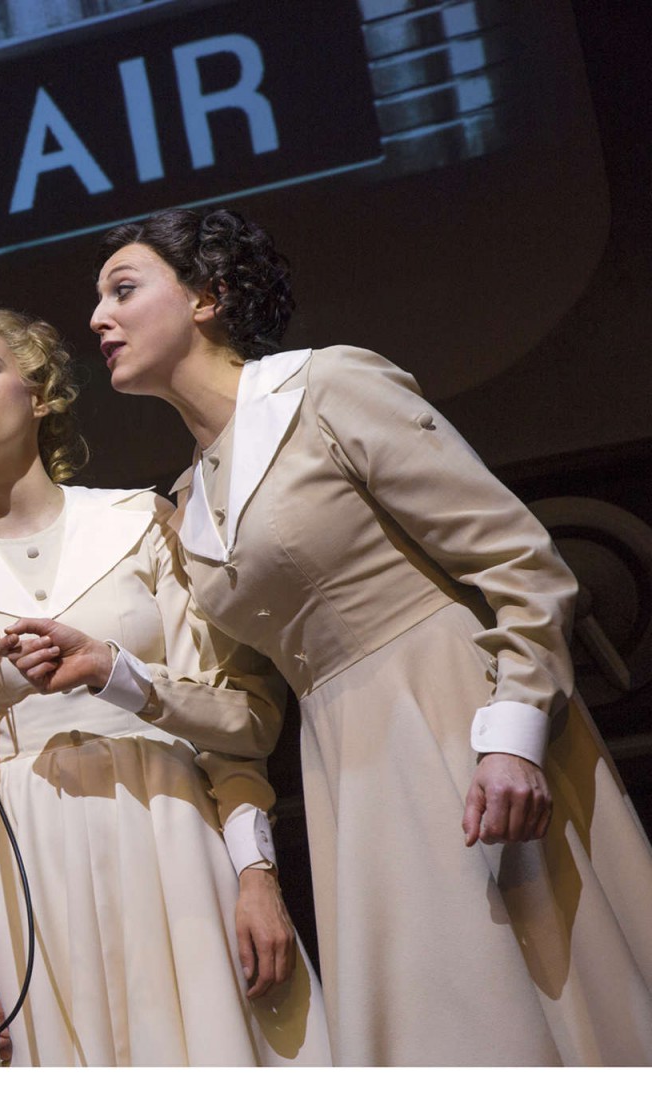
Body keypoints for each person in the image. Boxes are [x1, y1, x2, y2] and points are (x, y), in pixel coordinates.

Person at [55, 206, 652, 1063]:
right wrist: (117, 674)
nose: (98, 320)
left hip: (454, 717)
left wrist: (515, 732)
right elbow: (252, 719)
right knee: (433, 1021)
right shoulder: (186, 504)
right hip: (344, 765)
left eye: (123, 289)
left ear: (208, 297)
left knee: (533, 1001)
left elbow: (521, 562)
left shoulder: (325, 389)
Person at [0, 308, 329, 1066]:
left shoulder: (136, 520)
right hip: (31, 857)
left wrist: (256, 872)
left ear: (42, 392)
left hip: (167, 826)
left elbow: (232, 717)